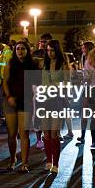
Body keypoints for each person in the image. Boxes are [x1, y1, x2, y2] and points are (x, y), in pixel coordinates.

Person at [2, 40, 38, 172]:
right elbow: (5, 82)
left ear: (27, 50)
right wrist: (9, 97)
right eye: (17, 49)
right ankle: (12, 160)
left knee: (24, 134)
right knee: (11, 133)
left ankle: (24, 163)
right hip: (10, 100)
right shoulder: (10, 64)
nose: (20, 51)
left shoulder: (32, 65)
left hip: (26, 100)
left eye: (23, 49)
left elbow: (36, 85)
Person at [40, 40, 70, 173]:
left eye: (52, 50)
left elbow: (67, 84)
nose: (49, 53)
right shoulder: (44, 64)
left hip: (58, 100)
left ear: (57, 50)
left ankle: (56, 164)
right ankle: (48, 161)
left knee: (54, 133)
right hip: (45, 99)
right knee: (46, 133)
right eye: (47, 50)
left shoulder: (63, 65)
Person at [0, 38, 13, 122]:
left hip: (4, 79)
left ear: (0, 43)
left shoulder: (7, 52)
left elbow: (7, 65)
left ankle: (3, 115)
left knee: (2, 98)